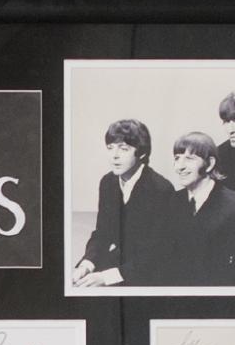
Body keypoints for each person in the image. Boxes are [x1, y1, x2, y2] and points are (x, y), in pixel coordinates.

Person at [73, 119, 175, 287]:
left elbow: (157, 252)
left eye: (123, 148)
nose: (114, 155)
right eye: (110, 148)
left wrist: (106, 277)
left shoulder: (161, 189)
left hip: (152, 272)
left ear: (141, 153)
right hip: (121, 262)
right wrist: (86, 264)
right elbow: (102, 233)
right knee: (75, 282)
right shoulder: (108, 182)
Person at [168, 132, 235, 285]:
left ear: (210, 164)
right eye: (177, 158)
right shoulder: (172, 201)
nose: (180, 166)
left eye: (189, 158)